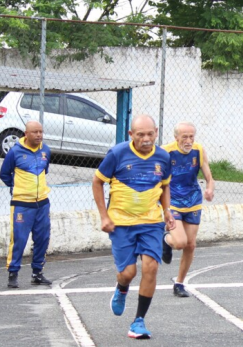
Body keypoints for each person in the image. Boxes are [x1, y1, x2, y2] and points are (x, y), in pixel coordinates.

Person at [92, 114, 175, 339]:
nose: (146, 139)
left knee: (151, 267)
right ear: (131, 135)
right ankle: (121, 288)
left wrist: (167, 210)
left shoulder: (163, 156)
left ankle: (139, 321)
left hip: (151, 223)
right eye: (141, 135)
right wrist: (104, 216)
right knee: (128, 273)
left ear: (156, 132)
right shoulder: (117, 154)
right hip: (121, 223)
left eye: (150, 134)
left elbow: (165, 185)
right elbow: (97, 181)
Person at [161, 121, 215, 297]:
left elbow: (209, 177)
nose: (188, 140)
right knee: (180, 242)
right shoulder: (166, 152)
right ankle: (166, 240)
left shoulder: (198, 151)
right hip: (173, 202)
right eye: (185, 137)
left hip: (193, 200)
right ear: (176, 138)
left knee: (190, 245)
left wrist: (209, 189)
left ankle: (179, 283)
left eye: (191, 136)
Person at [0, 120, 52, 288]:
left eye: (41, 132)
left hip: (42, 203)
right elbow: (4, 174)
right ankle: (13, 273)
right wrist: (17, 188)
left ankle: (37, 273)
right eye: (35, 132)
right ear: (26, 134)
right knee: (19, 239)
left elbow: (45, 171)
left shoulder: (45, 150)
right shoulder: (14, 152)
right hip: (22, 204)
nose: (39, 135)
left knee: (42, 239)